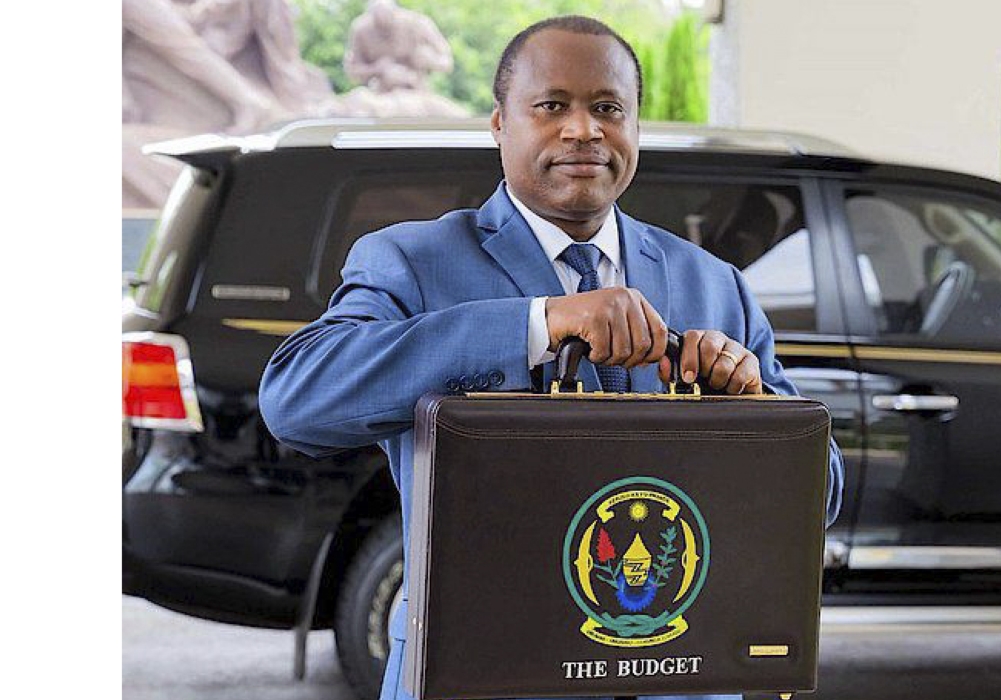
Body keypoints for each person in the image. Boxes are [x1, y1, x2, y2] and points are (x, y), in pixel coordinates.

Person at [259, 15, 844, 700]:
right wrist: (536, 324)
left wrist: (755, 416)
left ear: (635, 126)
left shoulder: (715, 284)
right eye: (551, 105)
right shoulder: (412, 262)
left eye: (608, 108)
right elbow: (296, 399)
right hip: (482, 678)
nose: (583, 130)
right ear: (499, 124)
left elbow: (820, 498)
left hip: (681, 676)